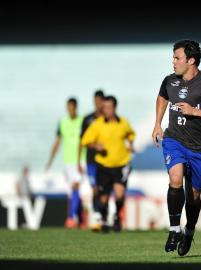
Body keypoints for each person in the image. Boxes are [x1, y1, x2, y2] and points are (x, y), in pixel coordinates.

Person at [152, 39, 201, 256]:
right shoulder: (170, 81)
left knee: (194, 195)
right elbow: (162, 96)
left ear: (191, 60)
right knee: (175, 178)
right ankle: (174, 229)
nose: (173, 62)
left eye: (177, 58)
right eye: (173, 57)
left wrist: (195, 112)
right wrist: (158, 123)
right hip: (175, 140)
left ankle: (189, 231)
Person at [81, 95, 135, 233]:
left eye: (109, 107)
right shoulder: (97, 124)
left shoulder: (123, 123)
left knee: (119, 194)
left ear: (115, 107)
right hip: (103, 165)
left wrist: (130, 145)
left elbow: (130, 135)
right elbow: (85, 141)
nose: (106, 110)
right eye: (104, 107)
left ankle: (117, 217)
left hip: (121, 164)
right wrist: (95, 146)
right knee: (103, 198)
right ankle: (104, 219)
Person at [46, 97, 84, 229]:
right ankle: (81, 220)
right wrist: (50, 160)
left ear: (76, 108)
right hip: (68, 161)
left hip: (80, 160)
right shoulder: (62, 122)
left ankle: (71, 218)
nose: (71, 110)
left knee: (75, 186)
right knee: (73, 191)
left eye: (73, 108)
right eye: (69, 108)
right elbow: (57, 142)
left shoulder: (82, 121)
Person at [79, 89, 105, 231]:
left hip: (105, 161)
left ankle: (102, 216)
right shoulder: (87, 119)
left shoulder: (108, 120)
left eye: (100, 101)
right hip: (90, 161)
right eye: (95, 101)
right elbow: (81, 141)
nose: (97, 104)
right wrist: (78, 161)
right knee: (94, 189)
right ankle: (97, 218)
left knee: (103, 190)